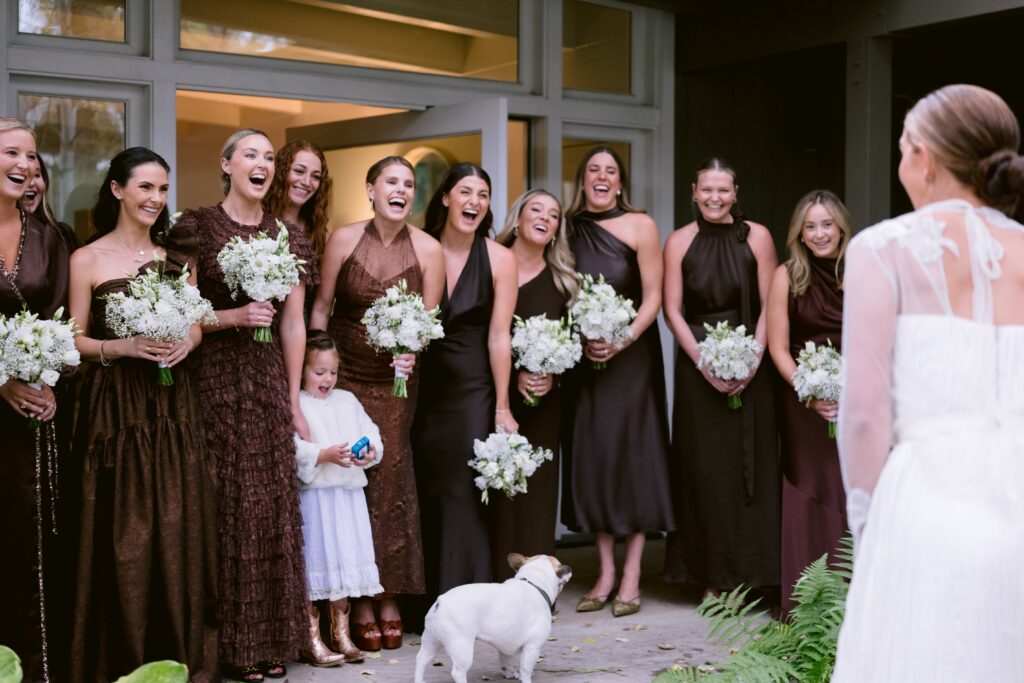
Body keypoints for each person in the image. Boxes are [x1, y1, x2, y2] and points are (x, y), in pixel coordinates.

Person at [833, 84, 1024, 681]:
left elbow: (864, 414)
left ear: (925, 157)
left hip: (925, 506)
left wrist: (869, 527)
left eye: (901, 149)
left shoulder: (882, 250)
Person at [167, 129, 316, 682]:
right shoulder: (196, 226)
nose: (262, 165)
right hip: (213, 378)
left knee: (271, 503)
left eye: (270, 158)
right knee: (226, 503)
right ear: (227, 164)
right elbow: (180, 308)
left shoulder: (288, 236)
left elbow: (295, 321)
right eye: (250, 155)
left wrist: (295, 395)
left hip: (268, 377)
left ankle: (273, 638)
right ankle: (229, 645)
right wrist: (232, 317)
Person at [67, 147, 218, 682]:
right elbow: (73, 341)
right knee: (124, 536)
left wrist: (188, 343)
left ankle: (175, 656)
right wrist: (124, 347)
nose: (156, 199)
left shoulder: (176, 261)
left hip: (172, 406)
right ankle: (121, 659)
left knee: (175, 525)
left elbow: (197, 321)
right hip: (117, 413)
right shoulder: (87, 259)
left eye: (162, 189)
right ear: (117, 190)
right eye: (145, 188)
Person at [311, 155, 444, 651]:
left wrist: (413, 350)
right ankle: (356, 597)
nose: (401, 190)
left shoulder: (428, 250)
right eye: (391, 182)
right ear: (370, 189)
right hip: (341, 377)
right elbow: (321, 307)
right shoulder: (344, 239)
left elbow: (428, 326)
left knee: (389, 480)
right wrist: (315, 374)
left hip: (395, 385)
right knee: (349, 480)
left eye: (409, 185)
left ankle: (389, 593)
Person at [562, 147, 673, 617]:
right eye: (593, 171)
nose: (602, 177)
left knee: (634, 455)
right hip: (585, 361)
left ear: (621, 183)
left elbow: (654, 298)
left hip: (632, 361)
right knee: (595, 457)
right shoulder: (566, 228)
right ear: (582, 181)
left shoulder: (641, 226)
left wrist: (622, 339)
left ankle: (632, 573)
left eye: (611, 171)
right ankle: (604, 569)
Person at [662, 158, 780, 598]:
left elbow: (772, 302)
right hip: (698, 366)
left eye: (723, 190)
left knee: (751, 469)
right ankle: (711, 577)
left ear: (735, 193)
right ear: (693, 191)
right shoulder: (678, 241)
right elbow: (672, 309)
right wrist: (703, 361)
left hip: (753, 362)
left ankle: (754, 575)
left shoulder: (759, 237)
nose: (715, 198)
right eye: (706, 190)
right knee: (705, 471)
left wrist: (753, 358)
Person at [410, 162, 518, 627]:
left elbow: (499, 336)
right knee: (424, 489)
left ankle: (464, 608)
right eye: (465, 192)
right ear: (447, 198)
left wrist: (502, 406)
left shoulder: (499, 259)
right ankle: (423, 603)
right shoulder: (419, 249)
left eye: (483, 195)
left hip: (473, 391)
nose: (474, 201)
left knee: (463, 494)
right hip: (421, 389)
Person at [0, 118, 72, 683]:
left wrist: (48, 381)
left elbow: (60, 322)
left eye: (31, 154)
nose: (25, 164)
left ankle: (32, 670)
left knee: (28, 547)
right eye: (10, 152)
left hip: (33, 421)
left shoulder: (50, 238)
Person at [765, 189, 852, 612]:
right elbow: (779, 348)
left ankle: (852, 600)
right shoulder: (787, 275)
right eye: (810, 226)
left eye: (827, 224)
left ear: (841, 227)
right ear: (799, 232)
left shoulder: (862, 270)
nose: (819, 234)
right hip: (802, 401)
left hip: (857, 400)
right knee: (809, 485)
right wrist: (811, 390)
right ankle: (805, 606)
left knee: (848, 486)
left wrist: (851, 386)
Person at [491, 189, 577, 580]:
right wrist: (513, 377)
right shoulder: (491, 262)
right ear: (519, 218)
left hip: (544, 403)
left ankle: (536, 583)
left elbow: (574, 343)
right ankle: (495, 577)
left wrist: (553, 373)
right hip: (495, 396)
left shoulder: (564, 282)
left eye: (554, 215)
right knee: (496, 486)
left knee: (537, 491)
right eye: (536, 210)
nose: (545, 218)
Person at [293, 330, 384, 667]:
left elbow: (370, 431)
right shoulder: (297, 404)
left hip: (346, 496)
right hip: (316, 498)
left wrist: (370, 451)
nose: (327, 379)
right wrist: (322, 454)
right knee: (316, 562)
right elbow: (293, 445)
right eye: (319, 372)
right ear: (302, 370)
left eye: (332, 371)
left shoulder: (347, 400)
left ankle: (341, 634)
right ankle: (312, 638)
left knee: (345, 560)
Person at [263, 141, 331, 321]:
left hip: (303, 332)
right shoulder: (256, 221)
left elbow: (323, 302)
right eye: (299, 171)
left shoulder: (320, 237)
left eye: (315, 176)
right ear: (281, 172)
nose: (307, 182)